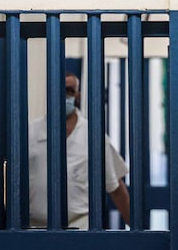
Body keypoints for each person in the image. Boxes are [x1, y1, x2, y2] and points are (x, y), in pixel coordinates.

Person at [27, 72, 131, 228]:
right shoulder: (30, 132)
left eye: (69, 91)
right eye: (59, 90)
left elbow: (114, 185)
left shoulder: (93, 136)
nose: (64, 96)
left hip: (81, 226)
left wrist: (136, 228)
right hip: (35, 227)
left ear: (78, 95)